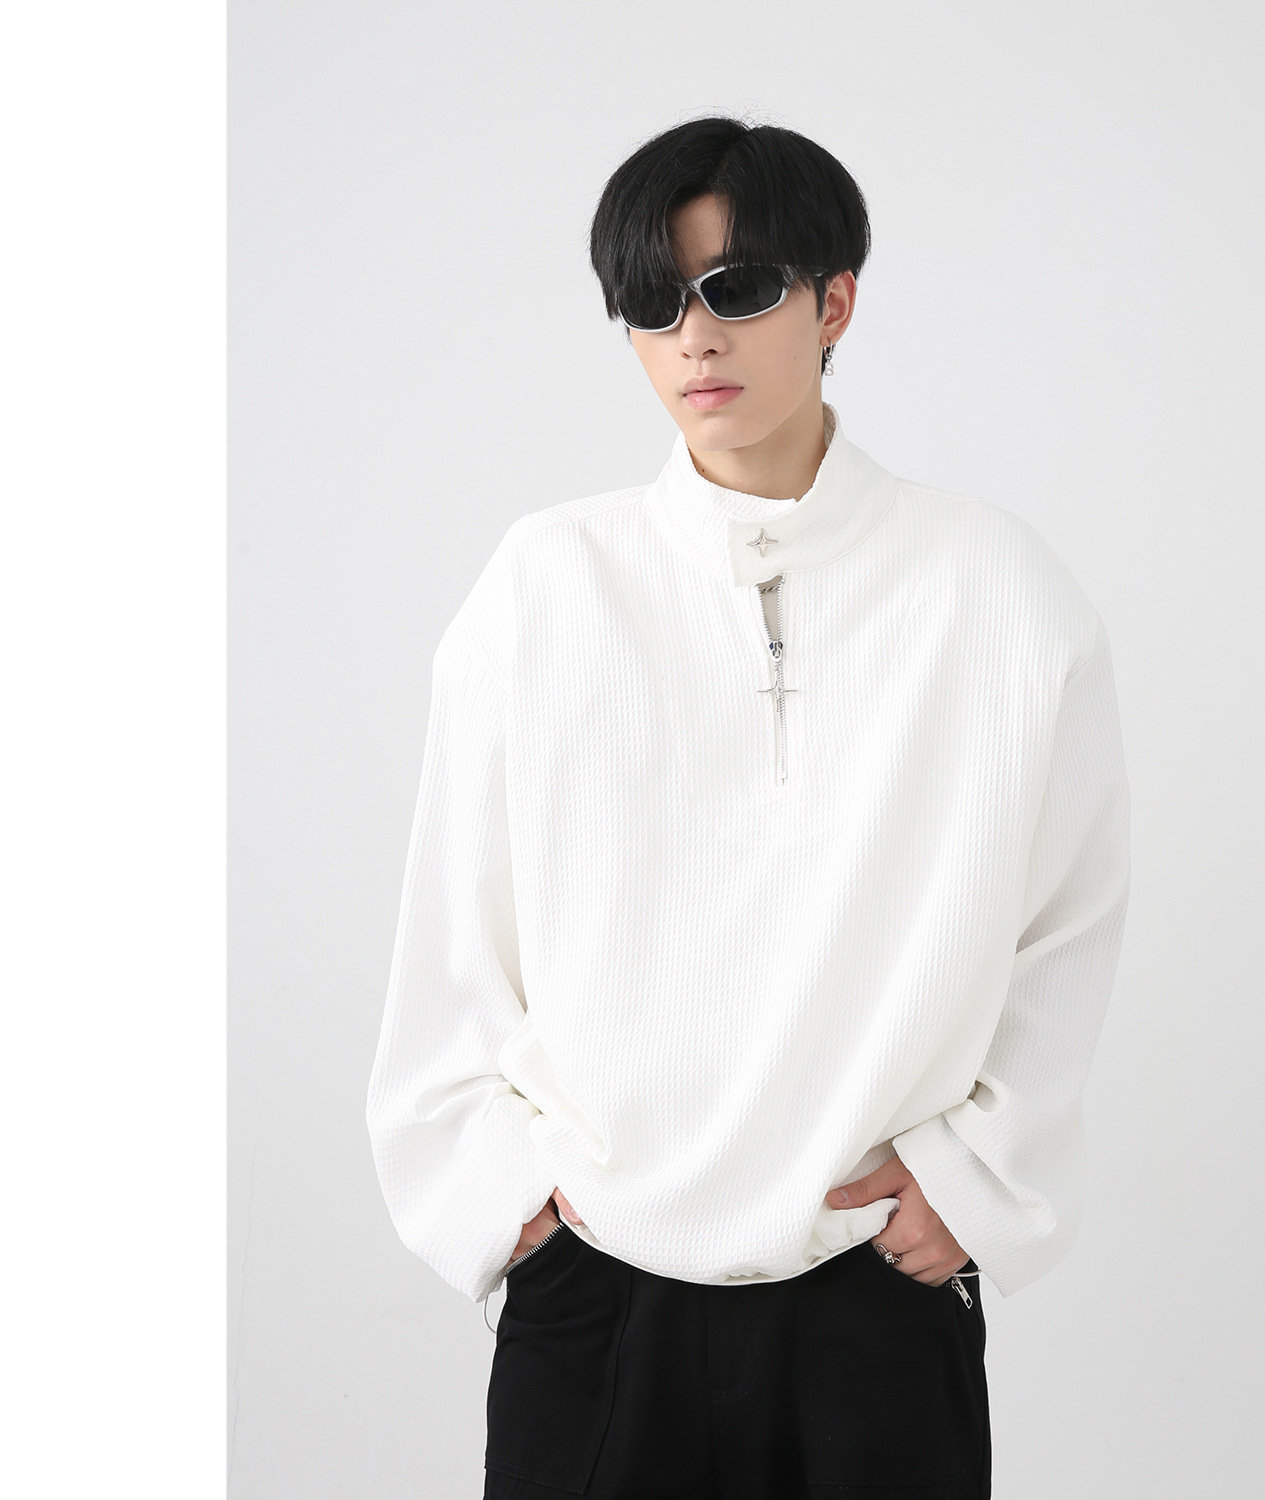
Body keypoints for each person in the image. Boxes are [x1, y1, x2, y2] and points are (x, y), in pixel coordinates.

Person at [366, 116, 1131, 1500]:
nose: (695, 338)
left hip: (870, 1294)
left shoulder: (998, 591)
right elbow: (454, 922)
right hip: (597, 1290)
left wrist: (979, 1176)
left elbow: (1069, 919)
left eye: (738, 287)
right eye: (654, 302)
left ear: (836, 303)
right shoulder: (546, 586)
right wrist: (499, 1197)